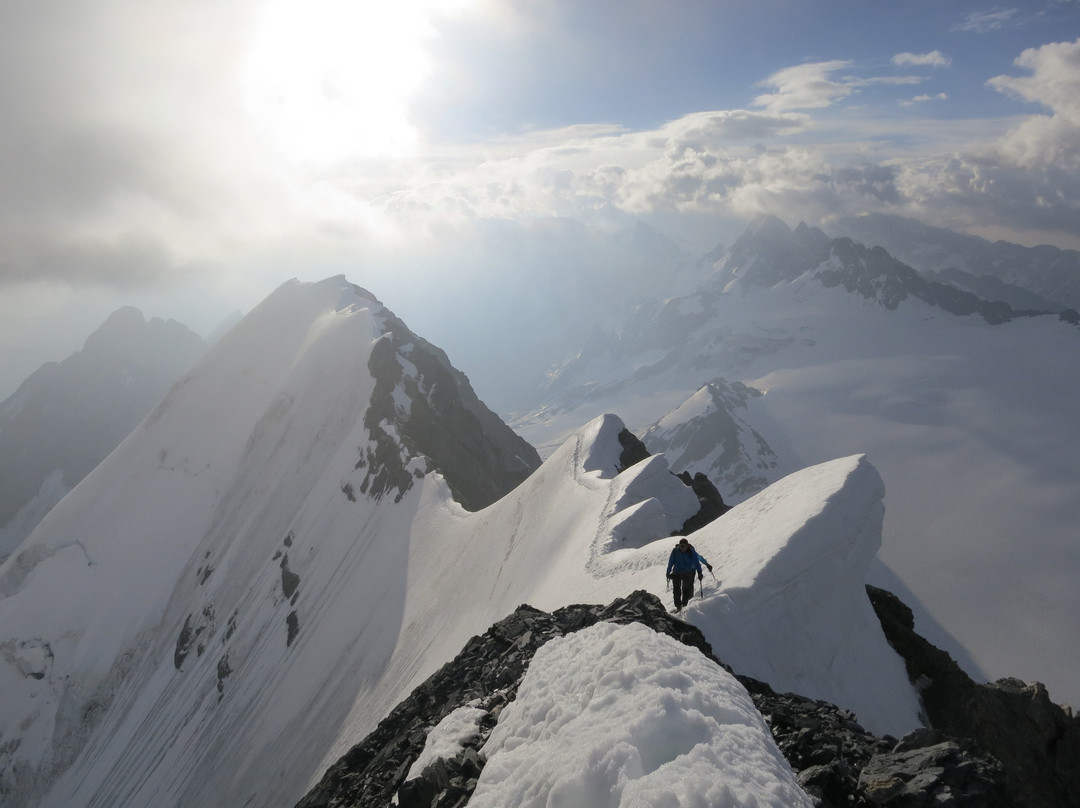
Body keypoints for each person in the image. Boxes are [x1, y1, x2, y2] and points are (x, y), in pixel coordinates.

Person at [666, 537, 712, 613]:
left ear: (687, 546)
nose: (682, 548)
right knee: (676, 590)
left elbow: (697, 562)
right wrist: (668, 572)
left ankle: (684, 606)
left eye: (684, 546)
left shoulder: (691, 552)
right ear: (679, 545)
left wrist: (700, 572)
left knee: (685, 590)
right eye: (681, 546)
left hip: (687, 572)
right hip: (677, 572)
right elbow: (671, 562)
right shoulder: (675, 551)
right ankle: (678, 607)